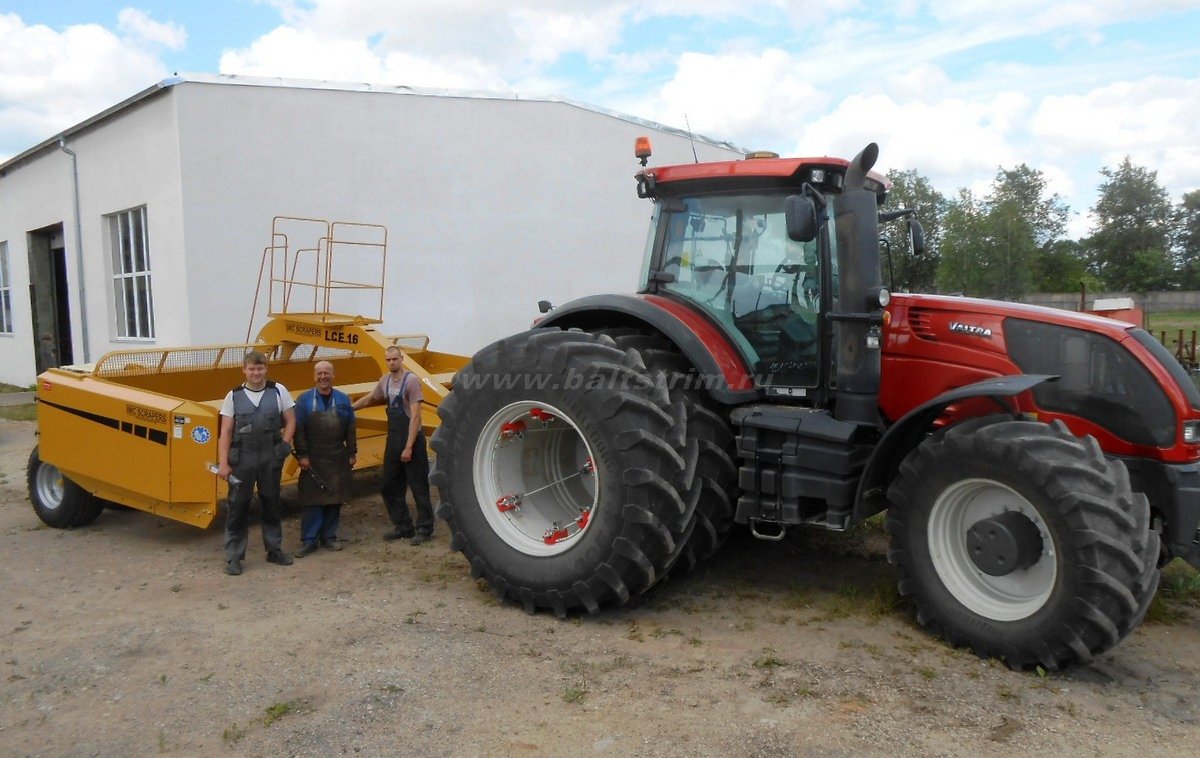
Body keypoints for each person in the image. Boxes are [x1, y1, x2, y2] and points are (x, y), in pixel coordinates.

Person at [216, 350, 296, 575]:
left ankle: (274, 550)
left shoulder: (278, 391)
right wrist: (223, 463)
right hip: (242, 460)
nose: (256, 373)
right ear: (244, 370)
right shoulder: (233, 396)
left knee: (271, 503)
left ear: (266, 369)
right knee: (237, 507)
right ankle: (234, 557)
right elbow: (226, 431)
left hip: (270, 457)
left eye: (260, 368)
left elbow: (291, 421)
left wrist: (284, 444)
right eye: (251, 368)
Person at [352, 345, 435, 545]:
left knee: (418, 486)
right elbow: (372, 398)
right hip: (394, 438)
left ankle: (424, 528)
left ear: (401, 359)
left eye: (394, 359)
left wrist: (408, 447)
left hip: (412, 440)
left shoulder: (411, 381)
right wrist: (349, 407)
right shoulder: (386, 381)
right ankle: (403, 526)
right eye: (388, 360)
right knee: (388, 485)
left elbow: (415, 417)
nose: (391, 363)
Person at [293, 360, 357, 557]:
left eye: (327, 373)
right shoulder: (303, 400)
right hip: (312, 458)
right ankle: (309, 540)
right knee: (312, 500)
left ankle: (329, 536)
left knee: (334, 498)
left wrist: (352, 452)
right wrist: (302, 455)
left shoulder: (344, 399)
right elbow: (299, 430)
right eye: (319, 373)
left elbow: (351, 428)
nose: (323, 377)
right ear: (314, 376)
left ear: (333, 375)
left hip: (337, 456)